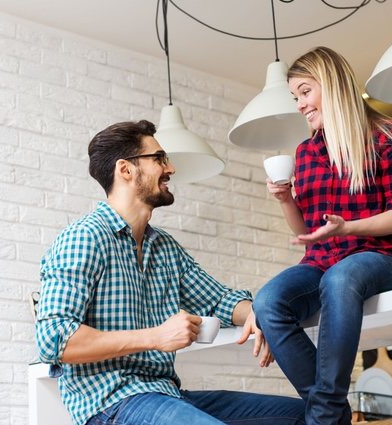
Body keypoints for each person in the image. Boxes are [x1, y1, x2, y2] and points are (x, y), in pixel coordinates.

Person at [35, 120, 305, 425]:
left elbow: (219, 300)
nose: (171, 168)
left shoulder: (163, 246)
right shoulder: (84, 238)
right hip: (111, 403)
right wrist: (156, 337)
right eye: (159, 158)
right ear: (126, 170)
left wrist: (258, 312)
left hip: (166, 394)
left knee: (308, 415)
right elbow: (55, 340)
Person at [253, 46, 392, 425]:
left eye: (305, 92)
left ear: (332, 85)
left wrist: (348, 226)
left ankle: (325, 413)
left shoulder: (387, 135)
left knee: (340, 277)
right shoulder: (306, 152)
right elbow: (310, 234)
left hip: (385, 259)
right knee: (268, 304)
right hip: (323, 260)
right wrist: (284, 200)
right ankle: (331, 413)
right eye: (296, 97)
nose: (300, 104)